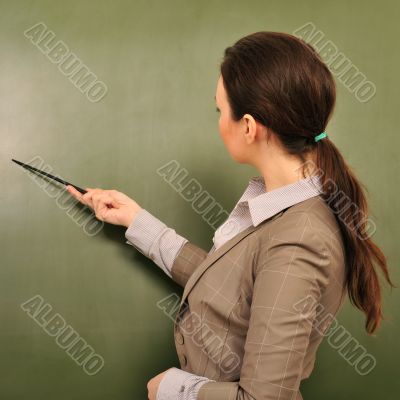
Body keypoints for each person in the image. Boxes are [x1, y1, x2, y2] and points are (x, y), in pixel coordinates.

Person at [67, 31, 395, 400]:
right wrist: (136, 220)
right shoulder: (283, 208)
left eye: (220, 111)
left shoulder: (299, 239)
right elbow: (230, 286)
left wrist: (172, 389)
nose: (219, 121)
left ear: (250, 127)